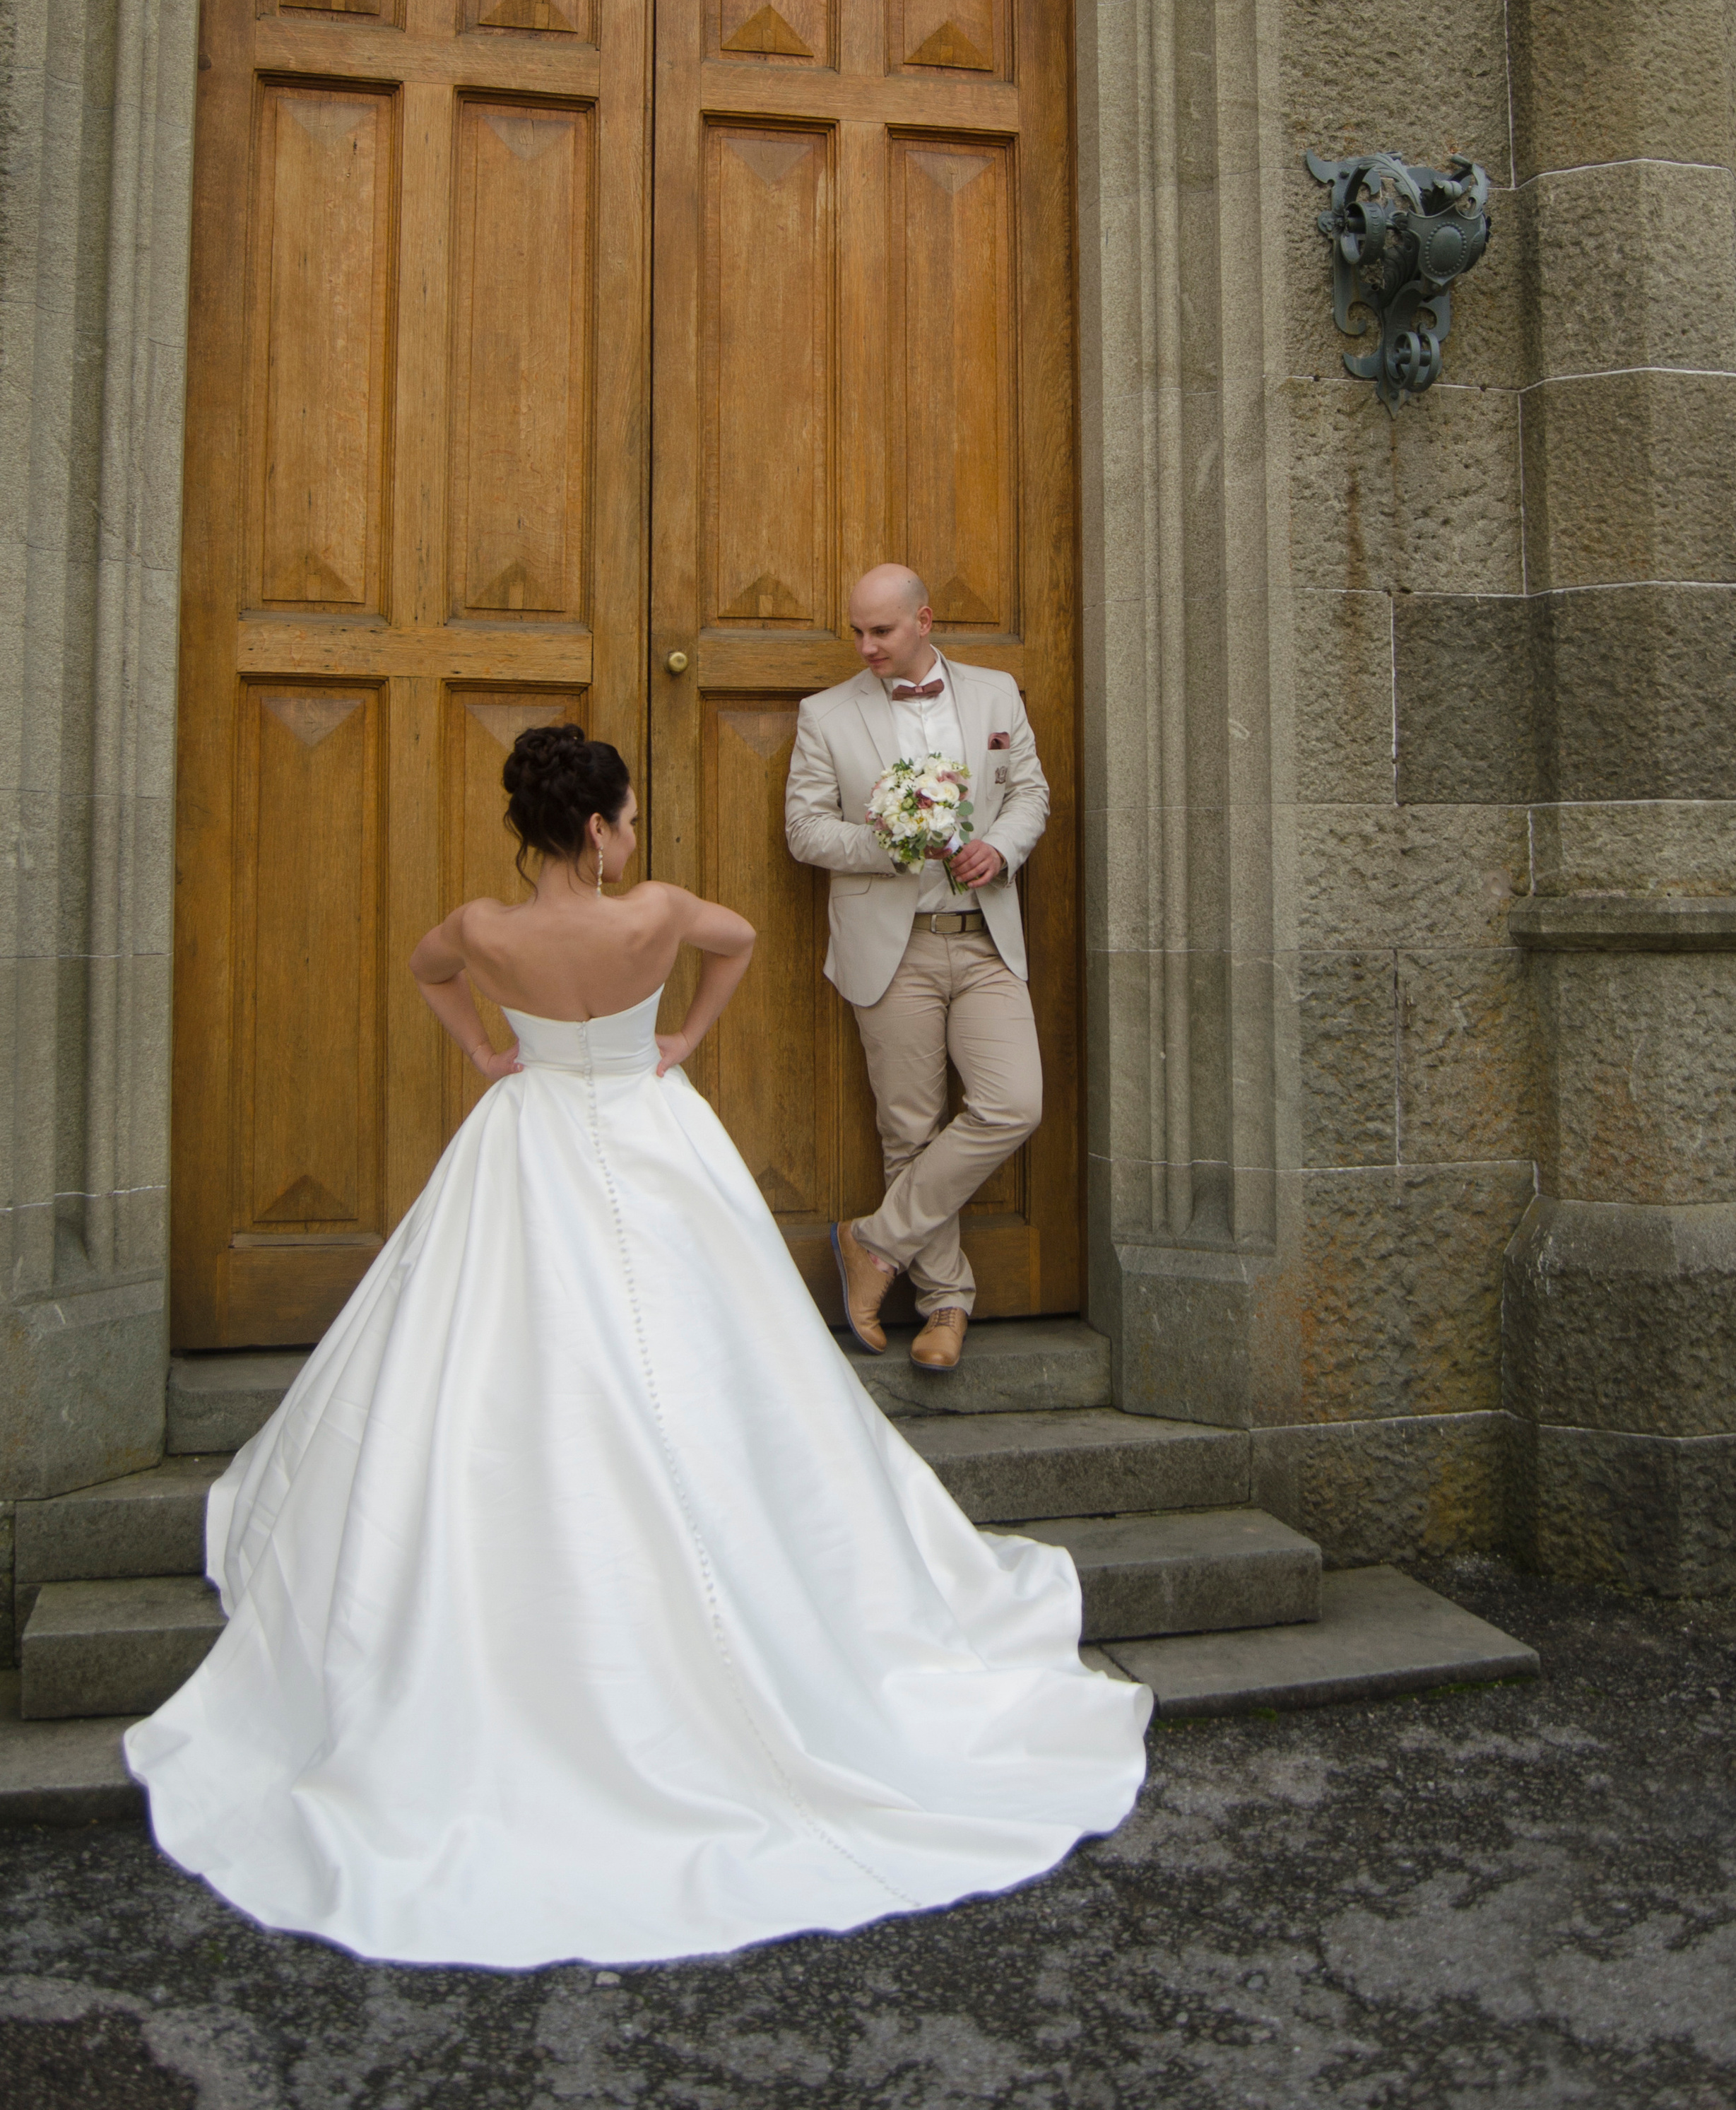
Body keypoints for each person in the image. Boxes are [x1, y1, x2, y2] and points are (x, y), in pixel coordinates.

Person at [124, 724, 1146, 1968]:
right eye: (630, 816)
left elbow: (428, 969)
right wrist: (683, 1041)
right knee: (716, 1351)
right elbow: (743, 943)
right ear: (600, 830)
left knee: (493, 1357)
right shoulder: (655, 911)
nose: (637, 831)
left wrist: (493, 1055)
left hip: (533, 1124)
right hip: (651, 1128)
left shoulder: (486, 928)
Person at [785, 565, 1048, 1375]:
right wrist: (890, 842)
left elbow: (1029, 793)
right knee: (909, 1130)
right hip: (888, 945)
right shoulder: (825, 715)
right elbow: (804, 830)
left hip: (983, 935)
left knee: (1014, 1103)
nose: (865, 647)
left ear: (924, 621)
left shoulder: (998, 694)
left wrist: (998, 848)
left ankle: (871, 1242)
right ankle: (945, 1306)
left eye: (881, 632)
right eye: (856, 632)